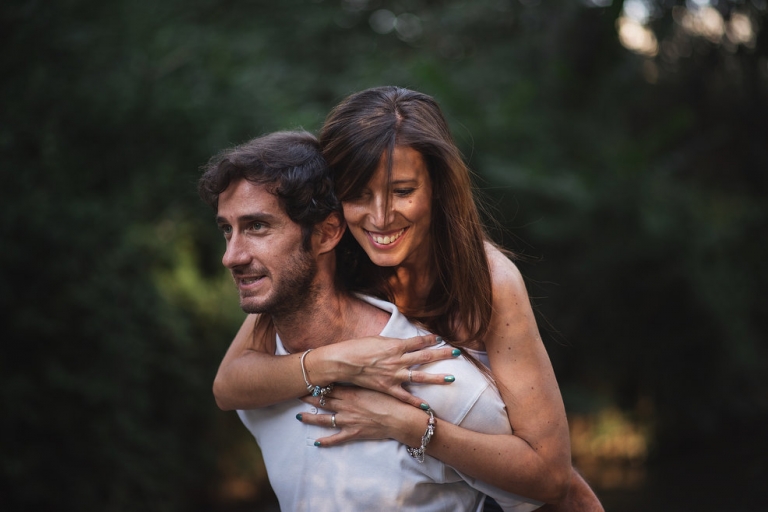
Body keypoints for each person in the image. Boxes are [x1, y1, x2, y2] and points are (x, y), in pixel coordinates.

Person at [213, 87, 603, 510]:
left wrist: (405, 423)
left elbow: (549, 472)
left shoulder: (488, 280)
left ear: (437, 186)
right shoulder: (332, 255)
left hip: (486, 458)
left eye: (401, 191)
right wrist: (340, 361)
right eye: (359, 194)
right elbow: (230, 384)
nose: (380, 218)